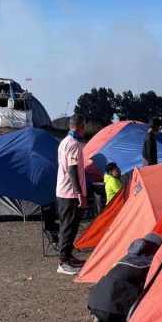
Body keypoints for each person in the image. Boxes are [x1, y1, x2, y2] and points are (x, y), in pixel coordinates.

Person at [55, 114, 88, 276]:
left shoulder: (64, 142)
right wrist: (80, 193)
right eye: (85, 126)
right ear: (81, 126)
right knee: (69, 227)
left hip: (63, 190)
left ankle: (67, 256)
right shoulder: (74, 144)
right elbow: (72, 170)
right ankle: (63, 261)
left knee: (68, 225)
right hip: (70, 193)